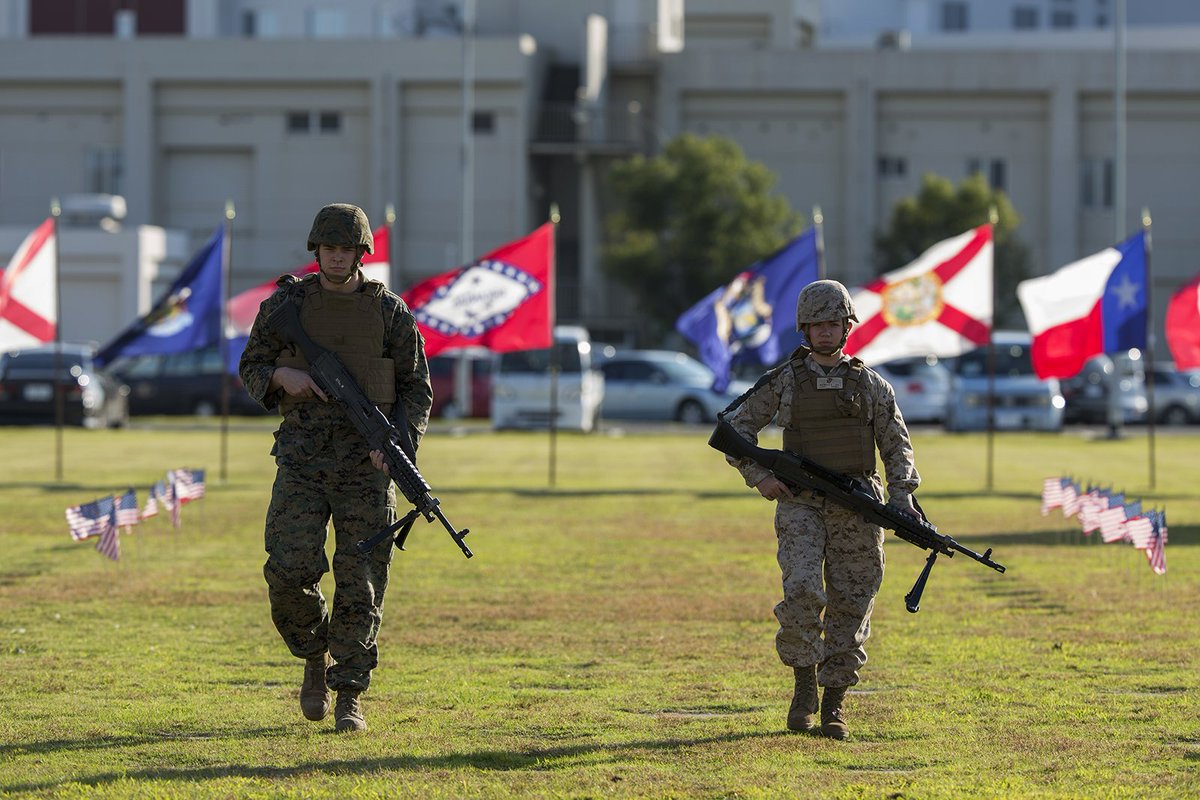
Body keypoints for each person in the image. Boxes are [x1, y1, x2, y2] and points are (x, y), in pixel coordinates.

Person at [239, 203, 432, 733]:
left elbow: (417, 387)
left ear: (361, 252)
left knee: (362, 580)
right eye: (329, 247)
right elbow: (250, 364)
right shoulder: (286, 306)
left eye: (347, 248)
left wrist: (397, 446)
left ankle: (349, 692)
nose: (338, 256)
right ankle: (311, 654)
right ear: (315, 250)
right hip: (301, 461)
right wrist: (282, 375)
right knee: (287, 569)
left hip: (366, 469)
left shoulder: (390, 312)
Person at [720, 279, 920, 740]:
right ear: (804, 330)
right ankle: (803, 690)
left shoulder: (871, 385)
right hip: (800, 505)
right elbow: (734, 430)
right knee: (804, 591)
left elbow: (896, 446)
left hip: (858, 508)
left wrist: (902, 496)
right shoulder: (785, 381)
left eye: (833, 323)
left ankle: (834, 705)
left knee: (852, 602)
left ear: (847, 326)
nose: (825, 333)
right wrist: (761, 477)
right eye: (816, 325)